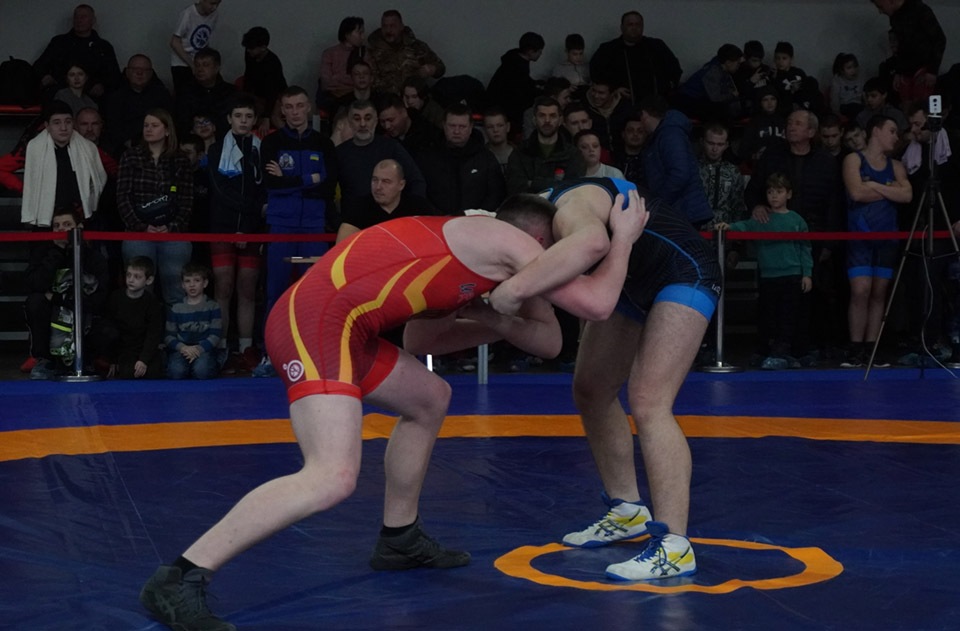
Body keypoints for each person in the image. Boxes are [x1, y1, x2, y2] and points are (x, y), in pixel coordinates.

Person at [139, 190, 649, 631]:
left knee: (429, 398)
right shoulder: (502, 239)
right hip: (315, 320)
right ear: (542, 242)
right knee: (331, 477)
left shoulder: (479, 264)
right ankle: (181, 575)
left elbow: (455, 340)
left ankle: (399, 536)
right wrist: (623, 238)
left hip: (346, 328)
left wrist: (494, 317)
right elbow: (597, 304)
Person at [487, 176, 721, 581]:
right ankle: (627, 509)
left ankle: (675, 546)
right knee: (591, 389)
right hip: (630, 280)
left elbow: (594, 243)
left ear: (536, 239)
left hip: (684, 271)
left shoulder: (570, 211)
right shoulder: (527, 215)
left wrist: (514, 288)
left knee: (649, 401)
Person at [718, 173, 813, 367]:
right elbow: (745, 226)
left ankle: (782, 351)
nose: (774, 196)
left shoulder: (797, 220)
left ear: (789, 194)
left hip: (791, 275)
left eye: (779, 191)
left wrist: (807, 274)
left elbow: (805, 248)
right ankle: (765, 350)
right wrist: (728, 226)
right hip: (768, 275)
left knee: (788, 316)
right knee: (767, 315)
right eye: (770, 192)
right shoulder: (762, 219)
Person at [259, 86, 337, 320]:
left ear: (309, 107)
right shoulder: (271, 142)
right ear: (282, 110)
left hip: (314, 226)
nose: (295, 112)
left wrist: (287, 179)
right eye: (289, 107)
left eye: (300, 106)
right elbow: (271, 184)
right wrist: (309, 179)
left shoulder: (324, 143)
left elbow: (327, 187)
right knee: (276, 290)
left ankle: (311, 341)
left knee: (314, 291)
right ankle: (271, 343)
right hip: (281, 225)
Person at [841, 115, 912, 367]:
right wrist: (889, 190)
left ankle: (871, 348)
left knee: (879, 292)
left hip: (887, 238)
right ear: (876, 131)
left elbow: (907, 195)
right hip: (860, 236)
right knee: (860, 290)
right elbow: (856, 192)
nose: (896, 136)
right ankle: (855, 348)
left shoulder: (896, 165)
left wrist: (873, 185)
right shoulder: (854, 160)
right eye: (891, 131)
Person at [207, 94, 266, 370]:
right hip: (222, 228)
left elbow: (265, 190)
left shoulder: (262, 149)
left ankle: (246, 348)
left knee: (247, 289)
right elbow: (220, 191)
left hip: (252, 230)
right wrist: (240, 223)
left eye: (248, 116)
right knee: (223, 287)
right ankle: (220, 347)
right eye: (238, 116)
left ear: (255, 120)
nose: (243, 121)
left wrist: (248, 228)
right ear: (229, 119)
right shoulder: (216, 149)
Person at [117, 108, 194, 306]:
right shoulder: (131, 156)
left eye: (154, 125)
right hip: (138, 232)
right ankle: (140, 327)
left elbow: (186, 199)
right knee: (138, 289)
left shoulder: (180, 159)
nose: (148, 129)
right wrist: (141, 226)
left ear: (167, 130)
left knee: (177, 289)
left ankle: (174, 327)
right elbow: (123, 196)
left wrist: (172, 226)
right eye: (146, 125)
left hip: (173, 233)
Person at [23, 205, 109, 380]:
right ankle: (45, 360)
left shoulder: (94, 258)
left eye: (67, 224)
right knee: (35, 302)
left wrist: (58, 298)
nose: (61, 229)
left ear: (79, 228)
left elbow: (101, 298)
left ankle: (88, 359)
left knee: (105, 325)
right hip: (53, 312)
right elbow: (36, 284)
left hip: (82, 311)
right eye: (57, 226)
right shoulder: (43, 252)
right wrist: (57, 252)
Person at [21, 100, 108, 229]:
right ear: (47, 126)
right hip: (46, 217)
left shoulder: (88, 147)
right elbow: (30, 183)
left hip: (81, 215)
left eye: (68, 122)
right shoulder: (34, 148)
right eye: (57, 123)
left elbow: (99, 181)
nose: (63, 128)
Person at [638, 96, 714, 228]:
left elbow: (680, 173)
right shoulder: (666, 134)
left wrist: (659, 202)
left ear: (644, 114)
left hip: (681, 211)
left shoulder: (670, 134)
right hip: (681, 209)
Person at [335, 99, 426, 207]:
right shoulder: (339, 153)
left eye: (368, 118)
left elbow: (416, 182)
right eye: (357, 119)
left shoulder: (391, 147)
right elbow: (327, 191)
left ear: (376, 121)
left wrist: (409, 211)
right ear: (350, 122)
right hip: (351, 216)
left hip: (388, 216)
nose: (363, 124)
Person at [417, 104, 506, 213]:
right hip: (435, 219)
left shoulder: (486, 158)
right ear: (444, 125)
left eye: (462, 126)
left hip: (476, 220)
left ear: (471, 127)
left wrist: (475, 215)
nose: (457, 131)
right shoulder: (428, 157)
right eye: (452, 126)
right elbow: (420, 191)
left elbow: (496, 193)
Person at [589, 11, 682, 106]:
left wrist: (667, 88)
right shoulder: (608, 49)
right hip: (622, 104)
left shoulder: (656, 46)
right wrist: (613, 89)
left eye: (638, 25)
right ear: (622, 27)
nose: (634, 28)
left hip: (656, 105)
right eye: (630, 24)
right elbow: (596, 74)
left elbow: (674, 70)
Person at [336, 159, 438, 242]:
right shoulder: (358, 208)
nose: (378, 187)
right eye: (375, 180)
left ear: (401, 185)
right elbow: (341, 250)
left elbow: (434, 242)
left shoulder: (419, 208)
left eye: (386, 181)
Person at [98, 255, 166, 379]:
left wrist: (143, 360)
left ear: (149, 280)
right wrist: (112, 359)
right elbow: (108, 330)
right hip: (124, 350)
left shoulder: (152, 302)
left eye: (137, 277)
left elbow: (153, 333)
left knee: (154, 372)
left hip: (144, 348)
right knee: (128, 373)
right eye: (128, 275)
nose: (131, 280)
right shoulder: (116, 298)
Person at [33, 4, 121, 99]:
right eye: (76, 17)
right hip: (60, 92)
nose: (79, 20)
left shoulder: (103, 47)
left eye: (83, 17)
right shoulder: (59, 43)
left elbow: (114, 77)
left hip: (92, 97)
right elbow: (39, 66)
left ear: (93, 20)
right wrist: (46, 77)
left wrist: (102, 86)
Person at [871, 0, 946, 108]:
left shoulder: (920, 10)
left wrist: (932, 70)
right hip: (906, 69)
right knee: (906, 107)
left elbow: (939, 39)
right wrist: (899, 71)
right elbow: (901, 46)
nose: (880, 12)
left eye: (881, 7)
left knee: (921, 108)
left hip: (924, 68)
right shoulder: (895, 17)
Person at [505, 96, 585, 195]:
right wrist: (555, 184)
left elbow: (573, 189)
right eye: (542, 115)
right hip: (528, 204)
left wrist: (532, 183)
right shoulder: (520, 153)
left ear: (560, 120)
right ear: (534, 120)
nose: (547, 120)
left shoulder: (573, 154)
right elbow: (514, 187)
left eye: (552, 116)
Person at [101, 54, 175, 154]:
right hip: (124, 150)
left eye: (144, 70)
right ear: (127, 72)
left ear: (151, 73)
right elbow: (113, 130)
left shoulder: (162, 95)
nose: (139, 73)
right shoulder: (115, 97)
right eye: (135, 69)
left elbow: (168, 124)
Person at [367, 10, 446, 96]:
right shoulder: (372, 50)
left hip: (414, 98)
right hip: (384, 99)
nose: (388, 30)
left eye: (392, 26)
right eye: (385, 26)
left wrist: (432, 69)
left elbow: (441, 67)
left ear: (401, 27)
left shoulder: (417, 47)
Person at [165, 263, 222, 380]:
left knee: (202, 371)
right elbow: (168, 337)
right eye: (187, 281)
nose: (192, 285)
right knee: (176, 372)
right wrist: (183, 348)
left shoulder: (212, 306)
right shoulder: (176, 308)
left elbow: (215, 335)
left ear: (205, 283)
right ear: (182, 285)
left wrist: (198, 349)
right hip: (182, 350)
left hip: (204, 349)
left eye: (197, 280)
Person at [486, 32, 545, 133]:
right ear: (530, 51)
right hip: (504, 111)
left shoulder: (513, 60)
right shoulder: (517, 67)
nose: (540, 54)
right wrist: (540, 91)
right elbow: (520, 91)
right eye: (539, 51)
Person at [174, 47, 237, 137]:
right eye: (197, 65)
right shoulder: (185, 92)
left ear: (216, 68)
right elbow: (182, 122)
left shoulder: (231, 92)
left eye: (205, 65)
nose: (200, 69)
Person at [675, 44, 744, 123]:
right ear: (728, 62)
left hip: (696, 99)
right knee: (720, 111)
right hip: (688, 101)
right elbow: (716, 98)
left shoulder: (722, 70)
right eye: (738, 63)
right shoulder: (712, 72)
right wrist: (732, 95)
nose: (738, 66)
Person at [698, 122, 746, 229]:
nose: (715, 149)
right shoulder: (692, 169)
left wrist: (735, 229)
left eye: (720, 144)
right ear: (702, 142)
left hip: (724, 230)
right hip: (695, 229)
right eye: (711, 143)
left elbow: (738, 206)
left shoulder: (733, 171)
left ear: (726, 145)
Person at [170, 0, 223, 95]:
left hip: (199, 60)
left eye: (218, 4)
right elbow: (174, 42)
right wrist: (192, 65)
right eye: (212, 3)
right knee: (185, 93)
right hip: (182, 62)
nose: (214, 7)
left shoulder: (214, 15)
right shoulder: (188, 14)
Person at [240, 26, 287, 132]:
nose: (248, 50)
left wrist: (267, 117)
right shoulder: (249, 55)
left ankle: (292, 138)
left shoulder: (273, 62)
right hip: (259, 95)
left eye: (252, 48)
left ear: (263, 47)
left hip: (276, 95)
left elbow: (273, 91)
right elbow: (248, 76)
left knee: (274, 118)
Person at [318, 16, 370, 111]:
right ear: (347, 34)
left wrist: (338, 78)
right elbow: (326, 82)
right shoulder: (329, 53)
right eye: (360, 33)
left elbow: (367, 79)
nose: (363, 37)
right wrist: (352, 82)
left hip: (358, 96)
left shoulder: (364, 53)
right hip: (333, 97)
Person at [831, 53, 864, 120]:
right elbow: (834, 99)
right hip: (844, 106)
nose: (853, 70)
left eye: (855, 67)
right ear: (842, 70)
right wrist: (837, 113)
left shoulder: (861, 78)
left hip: (859, 105)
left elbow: (864, 94)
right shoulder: (838, 79)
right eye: (849, 68)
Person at [482, 107, 514, 171]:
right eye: (490, 127)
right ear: (485, 130)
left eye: (500, 125)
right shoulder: (479, 157)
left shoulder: (521, 155)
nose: (495, 130)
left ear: (508, 127)